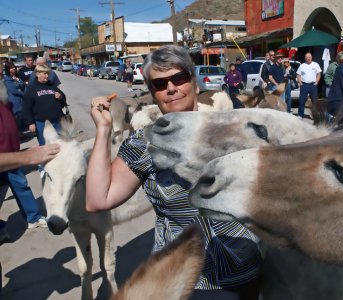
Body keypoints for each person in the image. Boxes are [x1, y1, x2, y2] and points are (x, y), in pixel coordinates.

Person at [86, 45, 262, 300]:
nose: (171, 88)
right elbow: (97, 199)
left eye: (179, 78)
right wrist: (103, 130)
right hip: (183, 280)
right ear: (153, 93)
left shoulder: (232, 130)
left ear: (195, 84)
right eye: (160, 84)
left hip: (245, 270)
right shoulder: (143, 143)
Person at [0, 80, 58, 234]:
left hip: (12, 152)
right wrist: (27, 156)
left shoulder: (4, 99)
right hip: (4, 157)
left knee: (21, 186)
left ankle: (33, 218)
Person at [23, 63, 66, 147]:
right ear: (37, 74)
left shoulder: (52, 85)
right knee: (44, 145)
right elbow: (26, 108)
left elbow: (63, 100)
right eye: (45, 73)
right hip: (40, 122)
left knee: (60, 142)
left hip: (56, 121)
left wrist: (60, 97)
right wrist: (30, 123)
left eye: (48, 73)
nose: (47, 76)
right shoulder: (31, 88)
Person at [296, 52, 322, 119]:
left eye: (309, 57)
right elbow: (298, 75)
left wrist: (316, 82)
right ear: (305, 58)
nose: (308, 58)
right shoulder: (302, 65)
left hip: (313, 85)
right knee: (302, 101)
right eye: (307, 57)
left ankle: (315, 115)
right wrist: (300, 83)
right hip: (304, 85)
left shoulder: (316, 64)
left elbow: (319, 74)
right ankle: (300, 115)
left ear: (311, 57)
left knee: (314, 101)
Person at [3, 62, 25, 133]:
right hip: (14, 101)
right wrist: (24, 94)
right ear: (8, 69)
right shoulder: (7, 79)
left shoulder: (16, 76)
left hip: (21, 100)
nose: (14, 69)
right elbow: (13, 91)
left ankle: (21, 133)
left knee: (21, 117)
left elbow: (22, 84)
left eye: (14, 67)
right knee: (17, 118)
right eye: (11, 68)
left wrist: (18, 80)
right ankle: (18, 134)